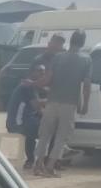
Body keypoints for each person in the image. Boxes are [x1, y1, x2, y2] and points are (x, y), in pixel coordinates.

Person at [35, 31, 91, 176]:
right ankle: (50, 167)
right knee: (61, 136)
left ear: (70, 41)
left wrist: (35, 84)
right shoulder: (86, 59)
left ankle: (38, 164)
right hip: (70, 102)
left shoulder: (58, 57)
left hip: (52, 100)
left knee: (45, 134)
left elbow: (47, 79)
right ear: (83, 43)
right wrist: (85, 104)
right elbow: (86, 85)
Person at [6, 71, 46, 169]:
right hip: (17, 124)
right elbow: (36, 105)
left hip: (18, 122)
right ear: (33, 72)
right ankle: (41, 160)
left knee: (39, 125)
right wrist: (53, 100)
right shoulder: (28, 87)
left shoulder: (29, 87)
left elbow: (38, 110)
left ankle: (32, 160)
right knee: (44, 130)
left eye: (44, 73)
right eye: (40, 72)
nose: (43, 76)